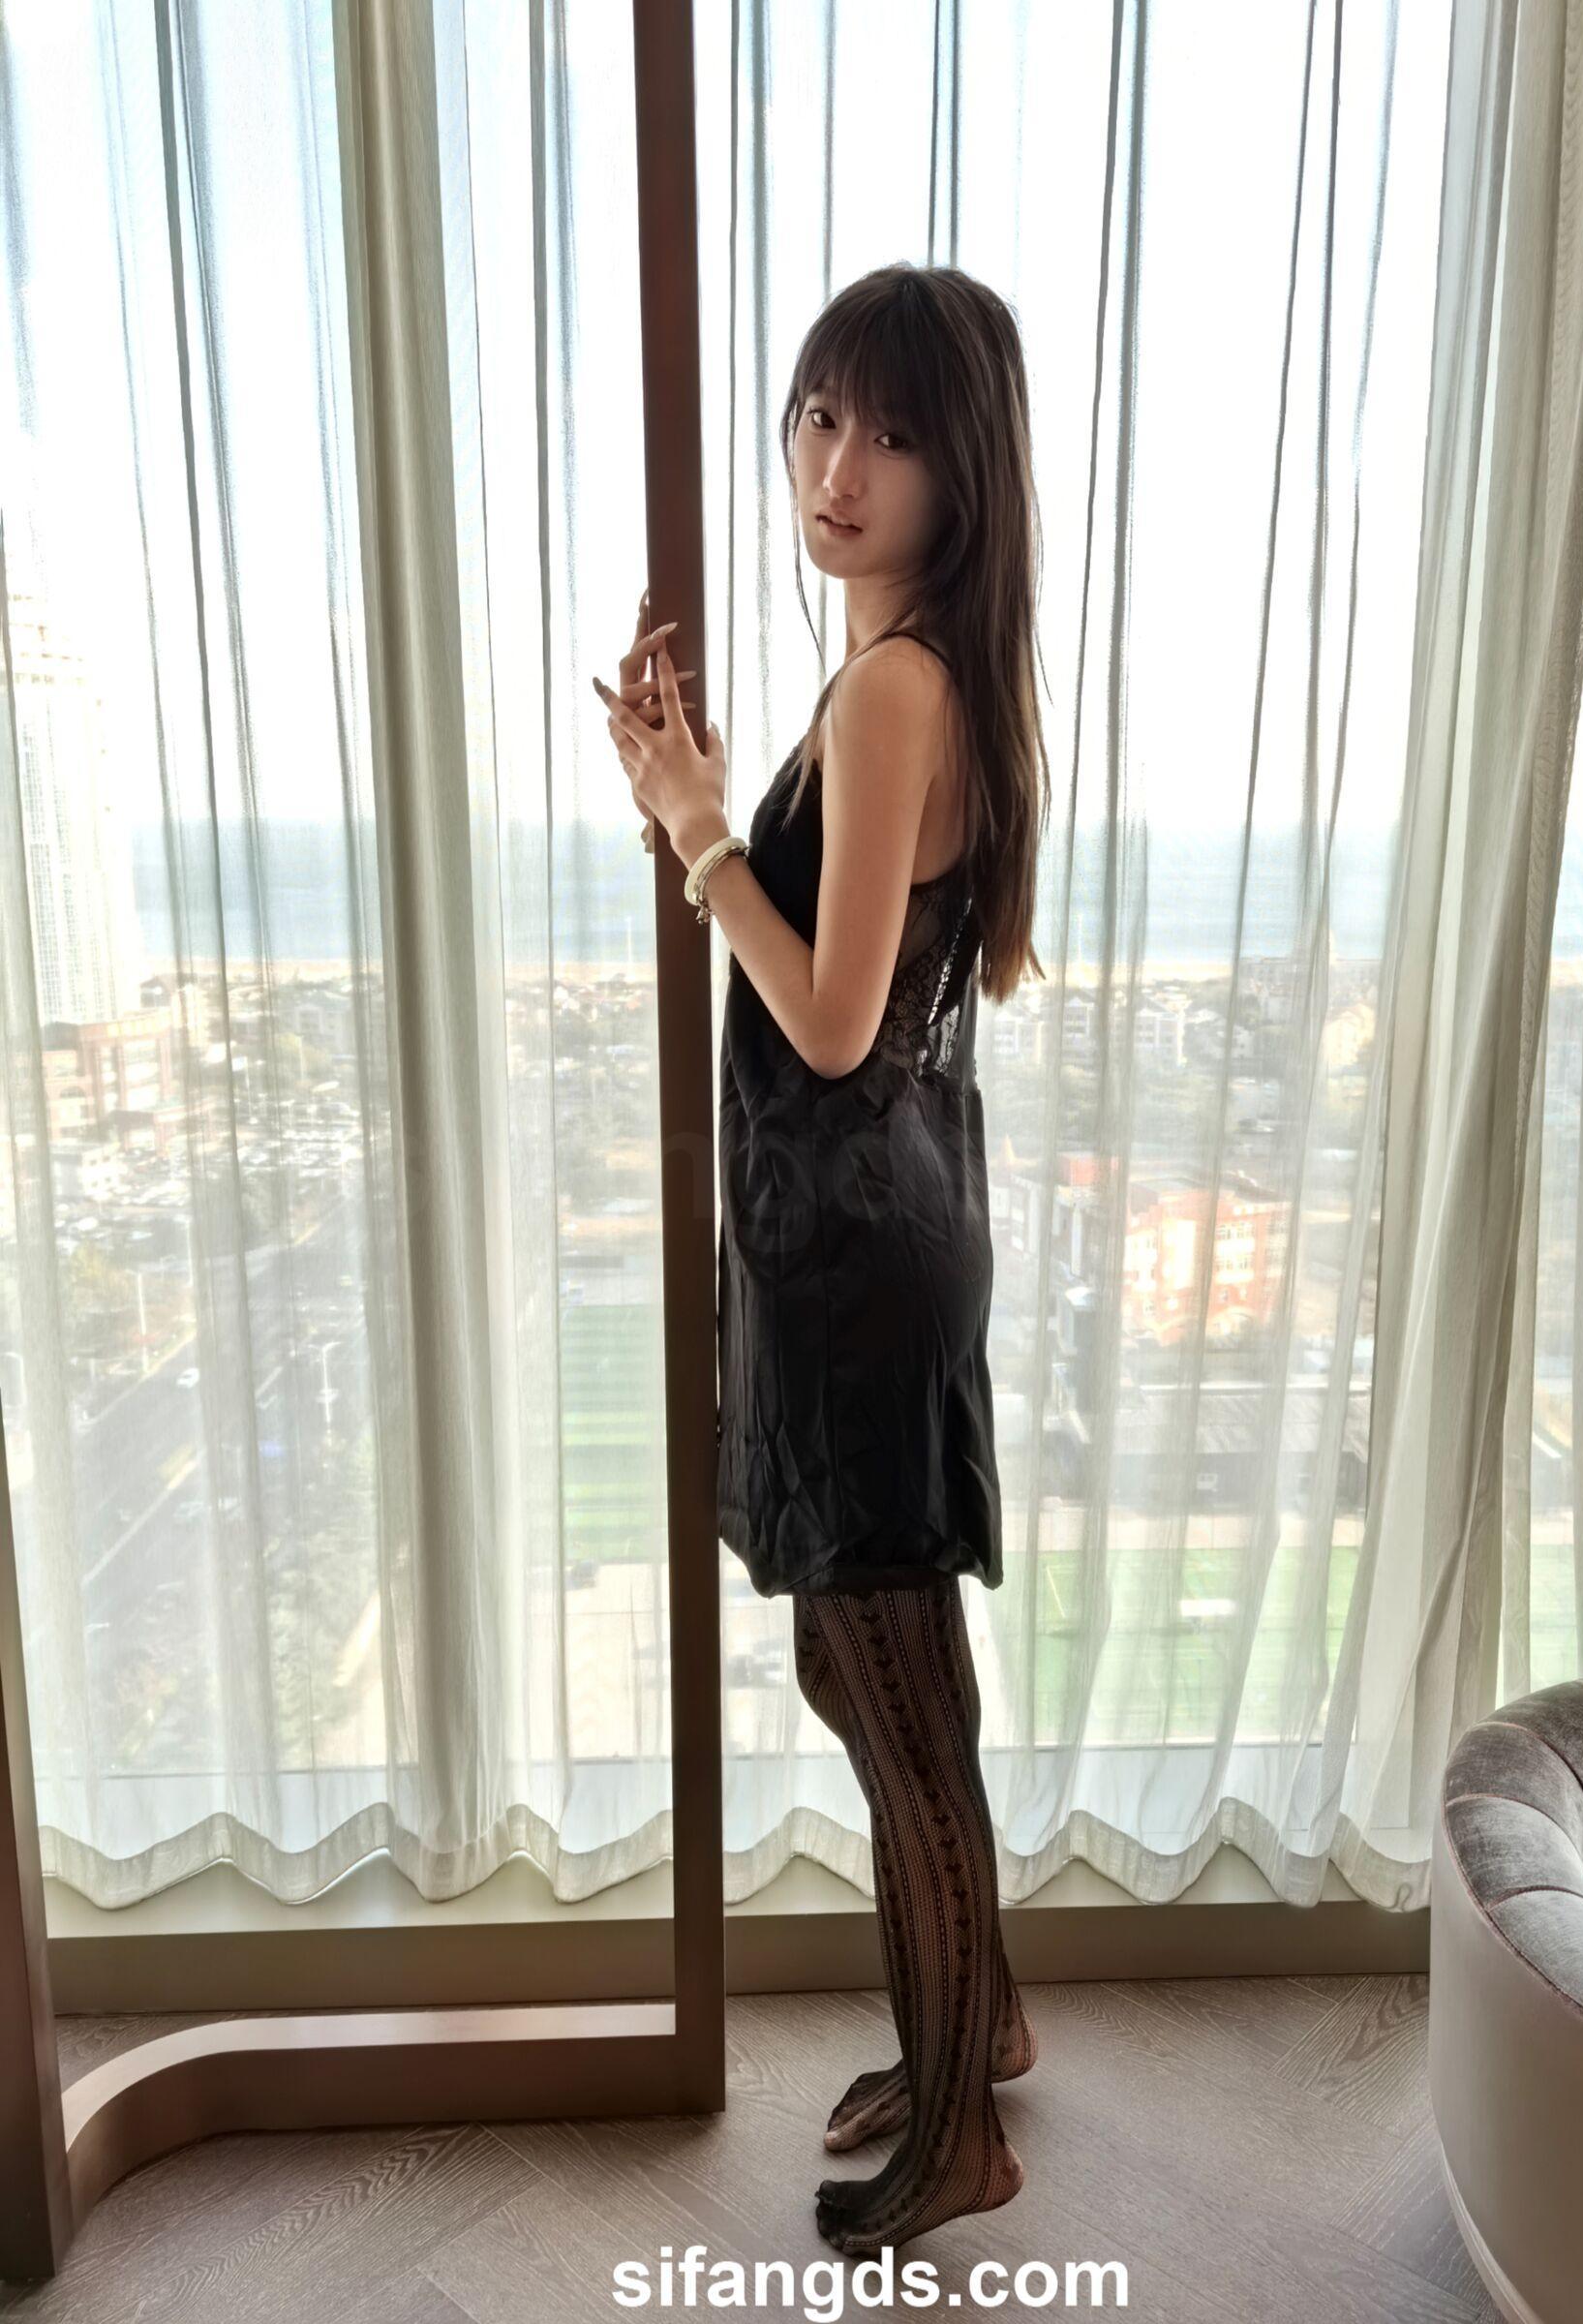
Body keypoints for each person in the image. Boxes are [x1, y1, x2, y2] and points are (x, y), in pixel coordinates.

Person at [593, 262, 1050, 2258]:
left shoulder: (891, 686)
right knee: (879, 1671)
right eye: (819, 416)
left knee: (887, 1688)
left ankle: (961, 2136)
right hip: (885, 1231)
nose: (836, 465)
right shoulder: (926, 674)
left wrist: (699, 835)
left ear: (966, 472)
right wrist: (707, 798)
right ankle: (979, 2026)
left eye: (892, 433)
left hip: (858, 1254)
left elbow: (837, 1022)